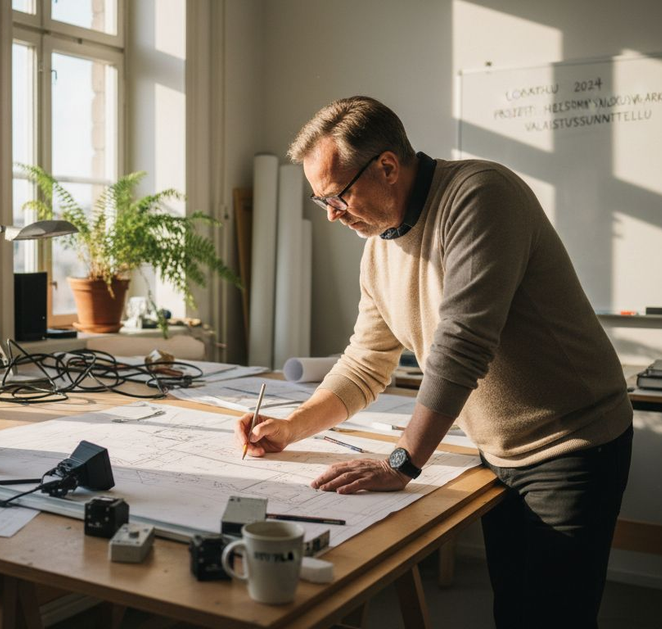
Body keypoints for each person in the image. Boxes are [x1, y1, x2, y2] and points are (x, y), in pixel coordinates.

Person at [235, 96, 633, 629]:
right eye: (320, 201)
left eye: (337, 196)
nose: (332, 215)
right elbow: (364, 363)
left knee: (551, 617)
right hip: (499, 451)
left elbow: (463, 343)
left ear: (387, 167)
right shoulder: (378, 247)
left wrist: (402, 461)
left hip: (573, 442)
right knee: (515, 611)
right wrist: (290, 427)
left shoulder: (481, 195)